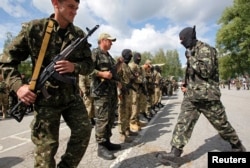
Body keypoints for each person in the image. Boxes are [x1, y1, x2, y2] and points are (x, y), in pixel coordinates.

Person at [0, 0, 93, 167]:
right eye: (71, 6)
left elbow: (89, 65)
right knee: (47, 150)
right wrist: (18, 86)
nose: (75, 12)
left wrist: (74, 66)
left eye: (77, 8)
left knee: (84, 131)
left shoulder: (78, 34)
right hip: (45, 100)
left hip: (71, 97)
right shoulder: (35, 29)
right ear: (56, 3)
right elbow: (6, 61)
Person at [157, 26, 246, 165]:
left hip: (207, 96)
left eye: (183, 40)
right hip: (192, 96)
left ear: (190, 37)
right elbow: (193, 73)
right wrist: (187, 84)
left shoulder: (206, 49)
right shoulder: (192, 51)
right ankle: (175, 153)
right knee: (183, 122)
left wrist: (190, 58)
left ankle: (237, 146)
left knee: (221, 124)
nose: (182, 43)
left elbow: (206, 71)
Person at [90, 32, 122, 160]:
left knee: (110, 118)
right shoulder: (95, 53)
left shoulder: (108, 56)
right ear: (103, 40)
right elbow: (87, 70)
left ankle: (107, 141)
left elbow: (114, 72)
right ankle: (101, 146)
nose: (111, 43)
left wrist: (119, 64)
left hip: (111, 92)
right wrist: (101, 74)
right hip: (101, 92)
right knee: (102, 119)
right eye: (110, 41)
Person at [117, 49, 137, 143]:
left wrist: (133, 78)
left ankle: (127, 130)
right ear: (125, 55)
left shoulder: (127, 66)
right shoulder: (120, 65)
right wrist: (120, 91)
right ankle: (122, 134)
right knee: (122, 113)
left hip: (128, 92)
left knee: (128, 111)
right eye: (129, 55)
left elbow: (129, 78)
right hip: (122, 92)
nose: (130, 57)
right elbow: (116, 79)